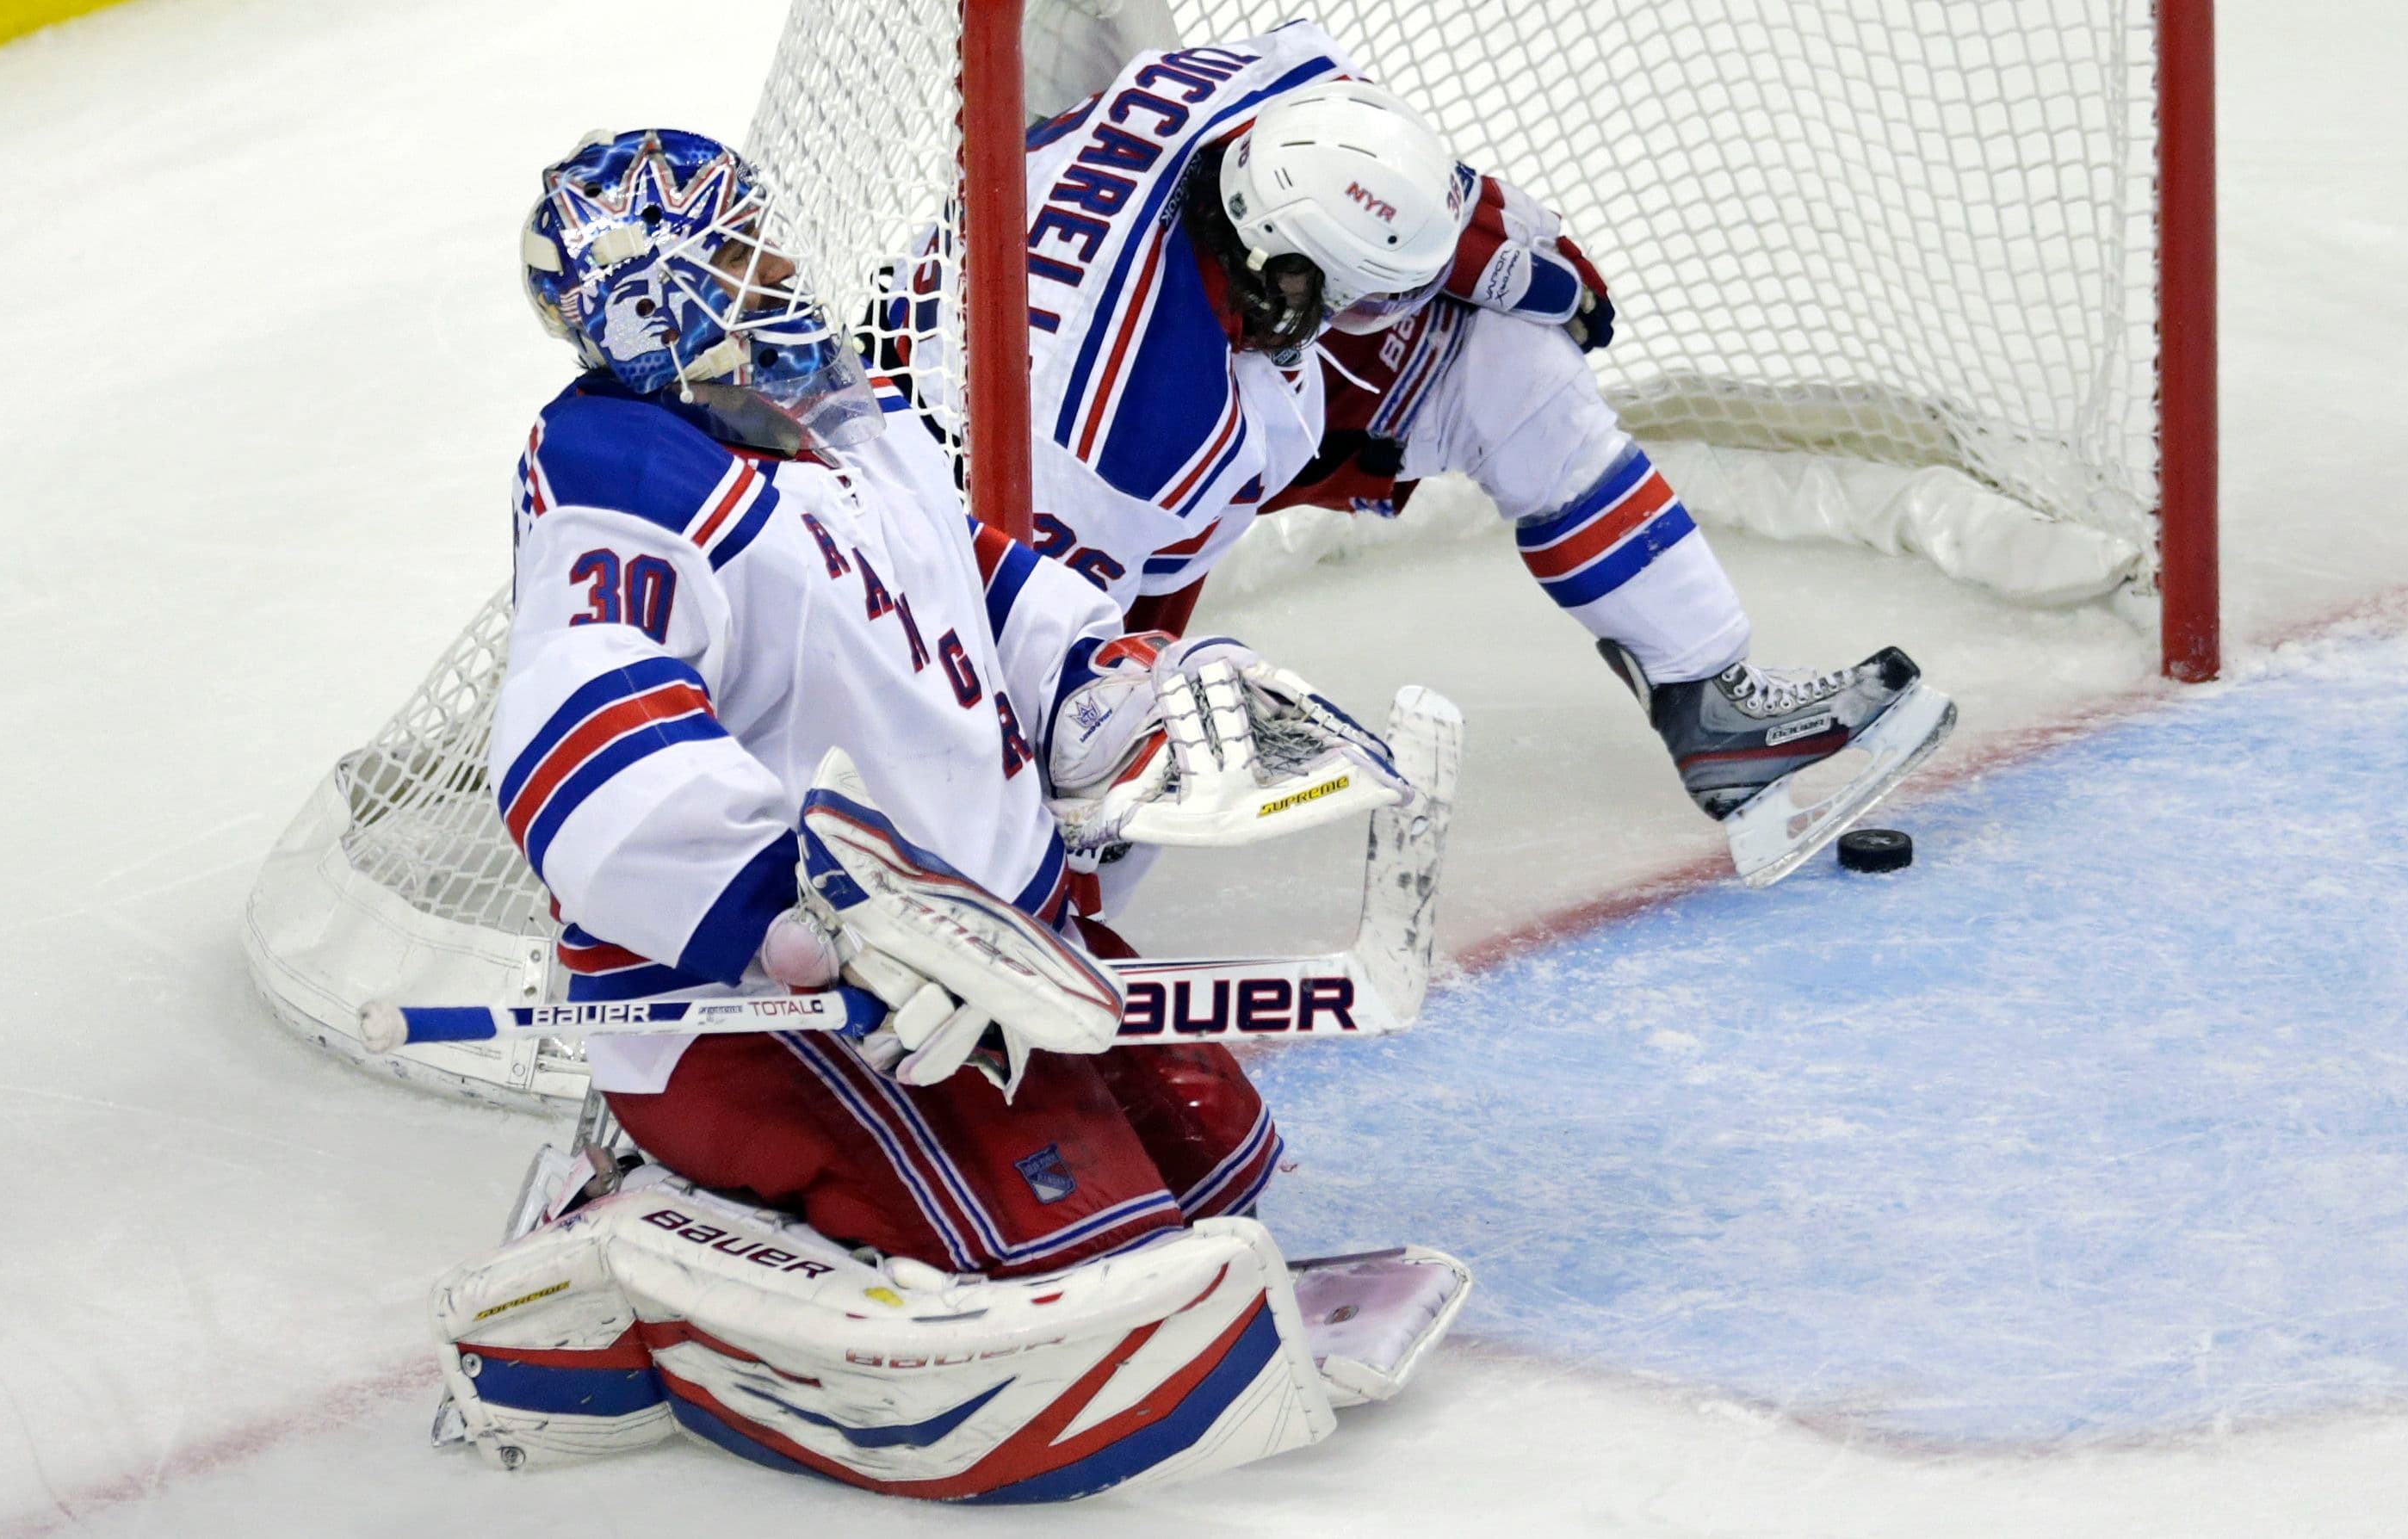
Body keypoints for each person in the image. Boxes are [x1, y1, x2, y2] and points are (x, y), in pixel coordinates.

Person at [427, 128, 1464, 1499]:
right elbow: (583, 724)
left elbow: (970, 579)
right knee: (1059, 1237)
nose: (779, 263)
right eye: (737, 249)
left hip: (987, 958)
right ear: (649, 300)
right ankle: (643, 1248)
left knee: (1209, 1154)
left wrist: (1101, 680)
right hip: (776, 1007)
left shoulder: (832, 416)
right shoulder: (618, 478)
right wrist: (791, 918)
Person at [891, 19, 1953, 889]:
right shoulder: (1134, 437)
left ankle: (1710, 700)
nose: (1381, 317)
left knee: (1506, 363)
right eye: (1359, 297)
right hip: (983, 490)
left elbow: (1383, 158)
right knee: (1098, 761)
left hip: (1097, 330)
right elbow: (1046, 638)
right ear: (1279, 265)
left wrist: (1493, 258)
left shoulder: (1260, 102)